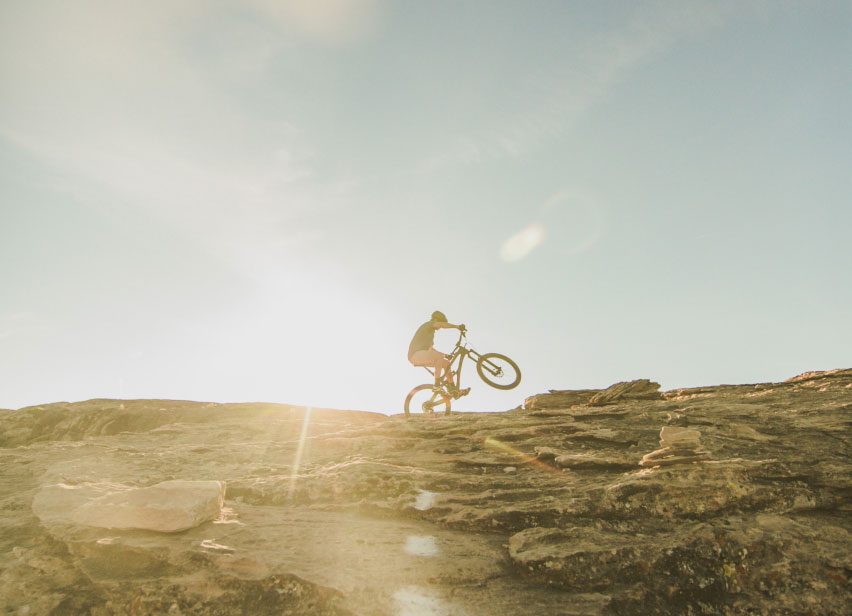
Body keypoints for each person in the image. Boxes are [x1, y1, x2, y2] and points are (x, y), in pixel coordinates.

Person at [407, 311, 469, 396]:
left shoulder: (430, 335)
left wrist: (445, 355)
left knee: (446, 363)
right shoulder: (429, 324)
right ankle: (436, 385)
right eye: (441, 322)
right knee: (439, 357)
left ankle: (452, 389)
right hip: (415, 355)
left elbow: (431, 351)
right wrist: (457, 327)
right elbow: (441, 325)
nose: (440, 327)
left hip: (421, 355)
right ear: (437, 319)